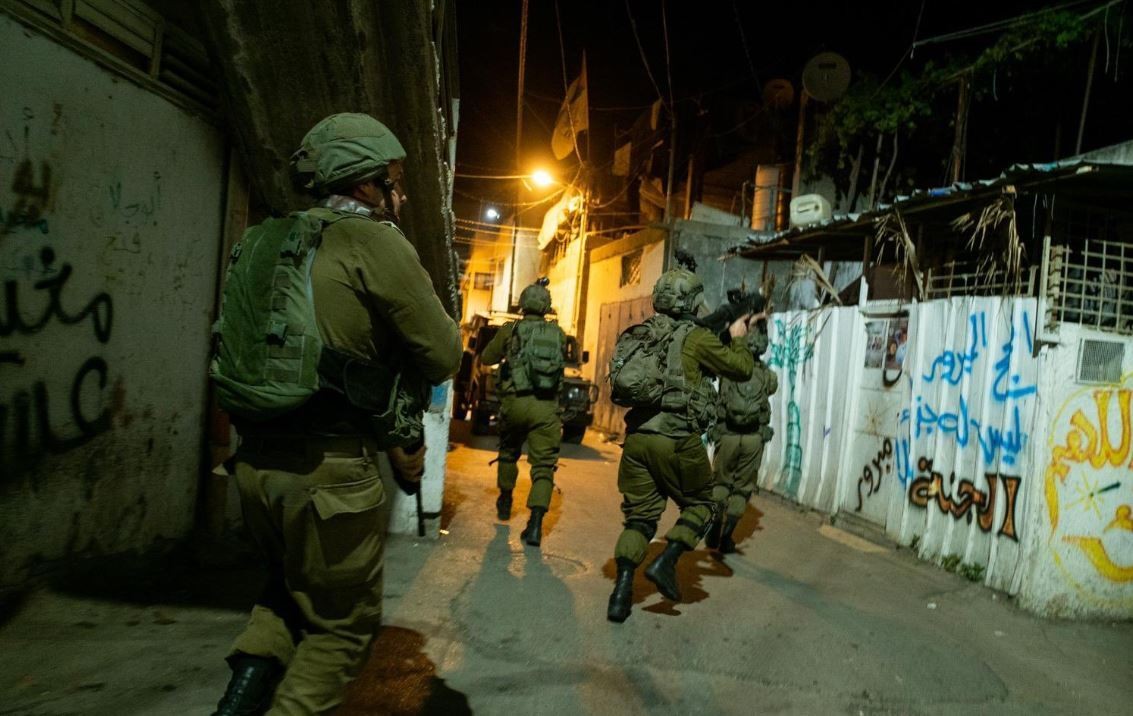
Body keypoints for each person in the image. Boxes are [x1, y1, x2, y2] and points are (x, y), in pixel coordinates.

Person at [209, 113, 461, 715]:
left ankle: (236, 705)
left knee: (287, 589)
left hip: (256, 466)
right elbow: (443, 354)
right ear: (366, 184)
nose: (402, 196)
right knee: (341, 630)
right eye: (395, 181)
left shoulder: (271, 237)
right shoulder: (372, 241)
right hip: (329, 475)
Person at [606, 264, 758, 623]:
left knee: (639, 519)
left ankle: (621, 594)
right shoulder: (696, 338)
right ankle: (667, 561)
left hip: (637, 441)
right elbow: (741, 369)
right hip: (676, 440)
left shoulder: (643, 333)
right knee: (703, 504)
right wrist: (738, 336)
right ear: (690, 302)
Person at [479, 279, 566, 547]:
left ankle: (505, 500)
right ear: (547, 306)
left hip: (515, 402)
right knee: (544, 466)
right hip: (546, 407)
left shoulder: (510, 330)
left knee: (508, 452)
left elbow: (486, 358)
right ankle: (535, 525)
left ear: (522, 304)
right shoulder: (558, 334)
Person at [706, 322, 778, 553]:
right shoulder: (769, 376)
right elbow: (771, 390)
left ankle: (714, 527)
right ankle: (727, 537)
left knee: (720, 482)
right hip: (753, 438)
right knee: (742, 488)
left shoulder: (729, 367)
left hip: (727, 435)